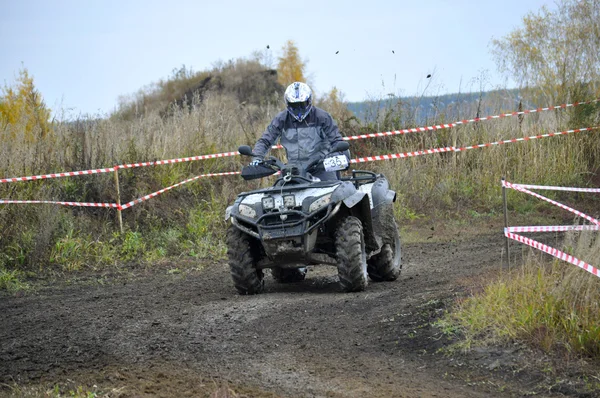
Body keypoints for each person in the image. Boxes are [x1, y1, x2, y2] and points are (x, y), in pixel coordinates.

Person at [250, 82, 349, 181]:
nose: (298, 109)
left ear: (309, 101)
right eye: (294, 105)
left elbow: (337, 141)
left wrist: (337, 157)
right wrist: (257, 158)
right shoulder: (281, 119)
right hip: (293, 170)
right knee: (278, 192)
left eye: (302, 104)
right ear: (288, 104)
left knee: (332, 192)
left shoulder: (322, 117)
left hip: (321, 168)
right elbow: (265, 140)